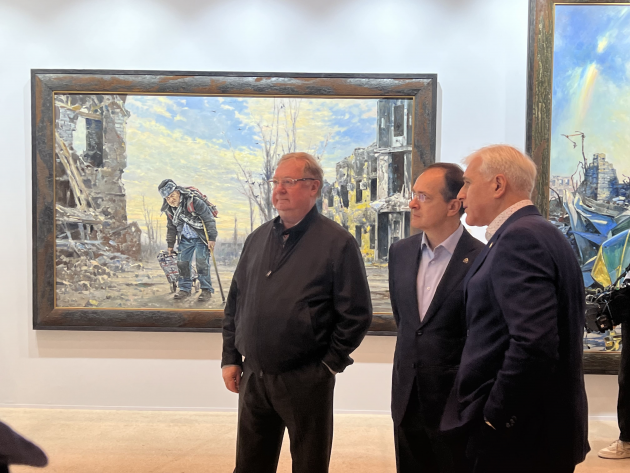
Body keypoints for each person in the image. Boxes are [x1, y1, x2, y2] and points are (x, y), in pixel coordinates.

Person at [441, 144, 590, 473]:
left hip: (521, 438)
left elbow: (533, 343)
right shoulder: (539, 231)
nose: (461, 194)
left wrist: (495, 417)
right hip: (536, 431)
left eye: (468, 183)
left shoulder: (520, 239)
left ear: (498, 185)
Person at [221, 152, 372, 473]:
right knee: (249, 465)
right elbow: (235, 302)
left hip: (306, 378)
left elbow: (356, 315)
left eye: (289, 182)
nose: (279, 189)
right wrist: (230, 357)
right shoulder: (257, 239)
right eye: (276, 182)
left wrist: (328, 365)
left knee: (308, 465)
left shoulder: (337, 243)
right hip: (254, 376)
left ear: (313, 187)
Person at [389, 163, 484, 473]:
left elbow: (481, 335)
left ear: (453, 206)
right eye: (414, 194)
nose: (412, 203)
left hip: (455, 403)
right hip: (406, 398)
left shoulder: (483, 258)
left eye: (424, 197)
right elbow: (406, 323)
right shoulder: (400, 253)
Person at [158, 179, 217, 301]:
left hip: (201, 238)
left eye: (172, 195)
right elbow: (171, 228)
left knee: (202, 263)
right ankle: (185, 289)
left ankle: (206, 290)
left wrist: (211, 238)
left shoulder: (194, 202)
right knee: (182, 263)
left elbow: (209, 219)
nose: (171, 200)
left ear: (178, 192)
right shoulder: (170, 210)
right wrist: (170, 245)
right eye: (167, 198)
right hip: (185, 238)